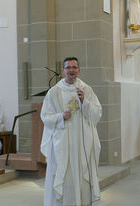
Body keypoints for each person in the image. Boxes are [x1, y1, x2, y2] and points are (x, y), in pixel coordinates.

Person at [41, 57, 102, 206]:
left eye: (74, 67)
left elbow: (97, 112)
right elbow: (45, 117)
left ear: (79, 70)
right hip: (63, 144)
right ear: (63, 71)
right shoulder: (54, 92)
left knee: (82, 176)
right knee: (65, 176)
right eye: (68, 68)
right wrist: (61, 116)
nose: (71, 70)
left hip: (83, 144)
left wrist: (84, 102)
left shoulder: (86, 90)